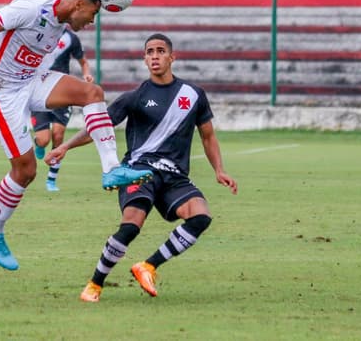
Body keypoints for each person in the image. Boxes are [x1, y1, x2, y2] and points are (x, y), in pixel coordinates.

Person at [0, 0, 153, 271]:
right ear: (79, 5)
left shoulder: (62, 21)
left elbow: (13, 42)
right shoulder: (31, 8)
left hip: (29, 81)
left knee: (92, 93)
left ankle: (111, 169)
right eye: (93, 14)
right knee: (25, 171)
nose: (92, 21)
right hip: (0, 91)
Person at [44, 33, 238, 302]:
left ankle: (148, 266)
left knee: (201, 216)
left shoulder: (193, 95)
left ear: (172, 57)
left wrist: (219, 170)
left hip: (174, 176)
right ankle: (95, 284)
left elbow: (208, 136)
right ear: (145, 59)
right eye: (150, 52)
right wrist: (65, 146)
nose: (155, 56)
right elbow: (97, 127)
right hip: (139, 170)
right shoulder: (135, 97)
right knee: (132, 225)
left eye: (160, 51)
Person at [31, 28, 93, 192]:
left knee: (58, 136)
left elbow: (83, 61)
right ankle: (38, 143)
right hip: (39, 92)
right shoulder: (41, 33)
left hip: (61, 93)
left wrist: (86, 74)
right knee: (44, 140)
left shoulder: (71, 38)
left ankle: (51, 180)